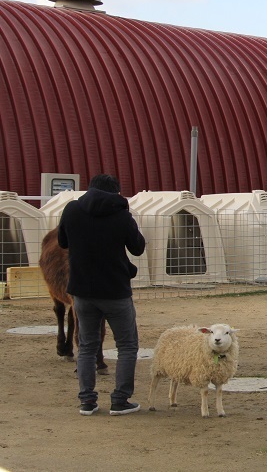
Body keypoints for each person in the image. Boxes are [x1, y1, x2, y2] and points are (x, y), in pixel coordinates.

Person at [58, 174, 146, 416]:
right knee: (127, 346)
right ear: (116, 192)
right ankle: (120, 400)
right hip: (115, 291)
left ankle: (87, 401)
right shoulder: (121, 215)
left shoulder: (72, 210)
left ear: (89, 189)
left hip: (82, 292)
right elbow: (138, 247)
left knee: (87, 346)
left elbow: (62, 242)